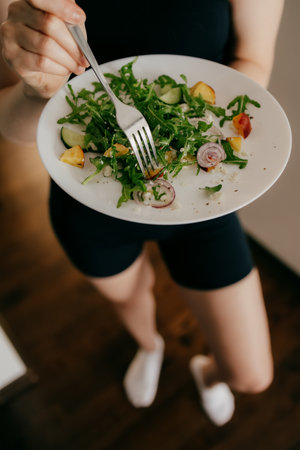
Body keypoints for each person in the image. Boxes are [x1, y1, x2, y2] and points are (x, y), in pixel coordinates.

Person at [0, 0, 284, 426]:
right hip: (90, 207)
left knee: (251, 375)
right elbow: (11, 123)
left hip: (199, 197)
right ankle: (151, 345)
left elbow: (252, 60)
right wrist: (34, 89)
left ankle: (206, 373)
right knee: (131, 295)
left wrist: (199, 132)